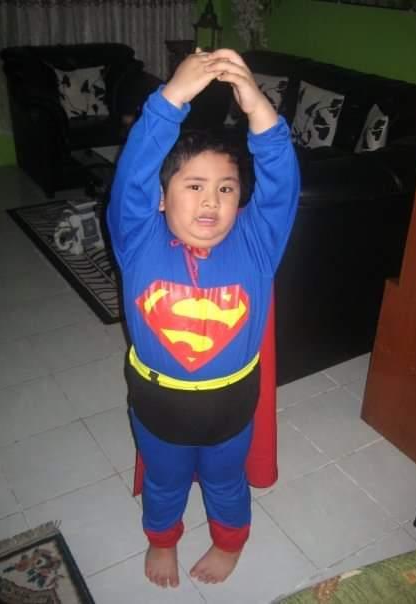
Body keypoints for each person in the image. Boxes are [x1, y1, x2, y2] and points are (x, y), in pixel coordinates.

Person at [107, 47, 300, 589]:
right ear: (161, 199)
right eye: (193, 186)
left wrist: (257, 106)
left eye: (226, 188)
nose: (211, 202)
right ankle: (162, 538)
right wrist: (170, 99)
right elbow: (133, 174)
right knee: (165, 482)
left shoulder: (257, 244)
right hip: (158, 402)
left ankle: (229, 542)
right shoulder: (138, 240)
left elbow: (281, 181)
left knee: (225, 481)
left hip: (231, 402)